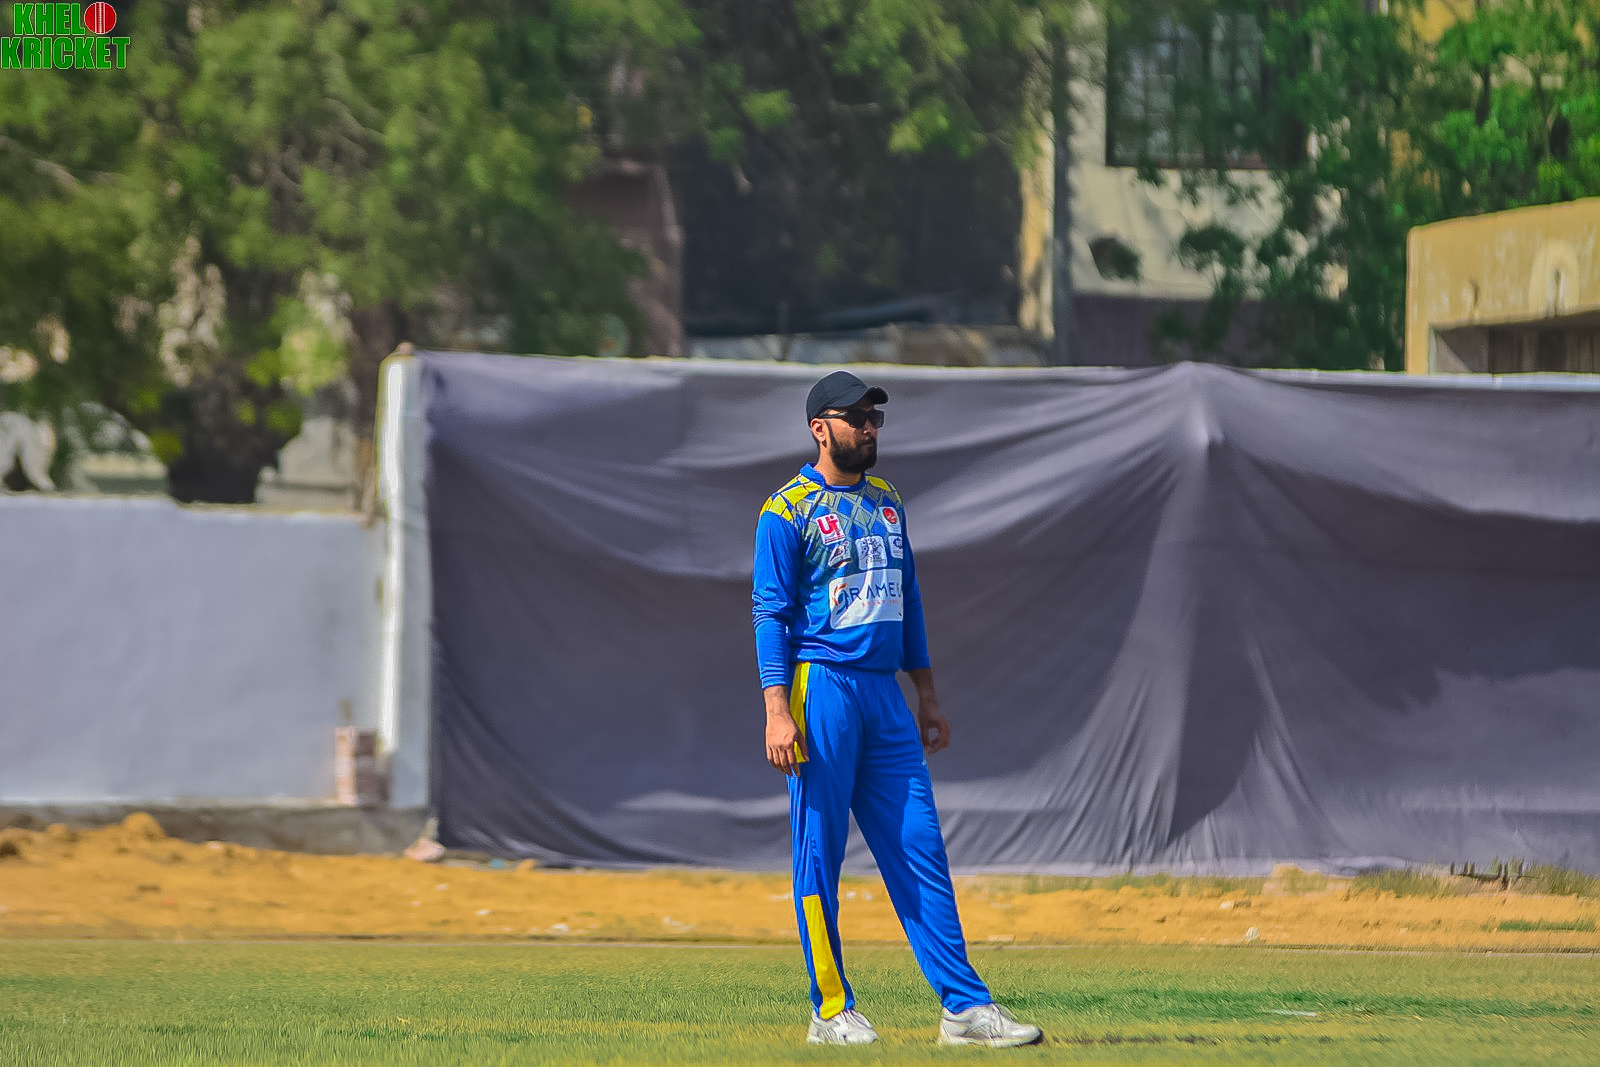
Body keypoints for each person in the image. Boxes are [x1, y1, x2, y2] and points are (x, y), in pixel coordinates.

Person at [751, 370, 1043, 1048]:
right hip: (821, 687)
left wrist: (927, 693)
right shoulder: (785, 511)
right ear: (820, 428)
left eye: (874, 417)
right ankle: (830, 1010)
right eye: (855, 417)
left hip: (885, 695)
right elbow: (770, 612)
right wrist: (776, 710)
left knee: (920, 847)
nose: (869, 427)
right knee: (818, 853)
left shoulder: (887, 502)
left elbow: (906, 597)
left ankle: (964, 1008)